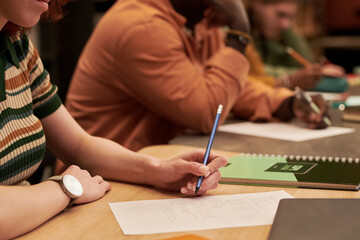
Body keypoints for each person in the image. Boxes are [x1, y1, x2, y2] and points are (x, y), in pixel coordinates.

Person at [0, 0, 227, 239]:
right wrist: (65, 187)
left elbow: (79, 146)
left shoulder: (18, 43)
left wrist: (158, 170)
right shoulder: (142, 25)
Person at [65, 0, 329, 156]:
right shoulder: (142, 26)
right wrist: (239, 34)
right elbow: (205, 113)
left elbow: (228, 86)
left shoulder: (197, 20)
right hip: (105, 177)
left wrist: (287, 102)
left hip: (161, 162)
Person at [244, 0, 345, 90]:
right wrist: (293, 78)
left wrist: (288, 31)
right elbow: (254, 73)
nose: (285, 24)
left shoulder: (275, 36)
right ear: (257, 4)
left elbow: (307, 60)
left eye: (291, 18)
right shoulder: (239, 33)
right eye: (280, 14)